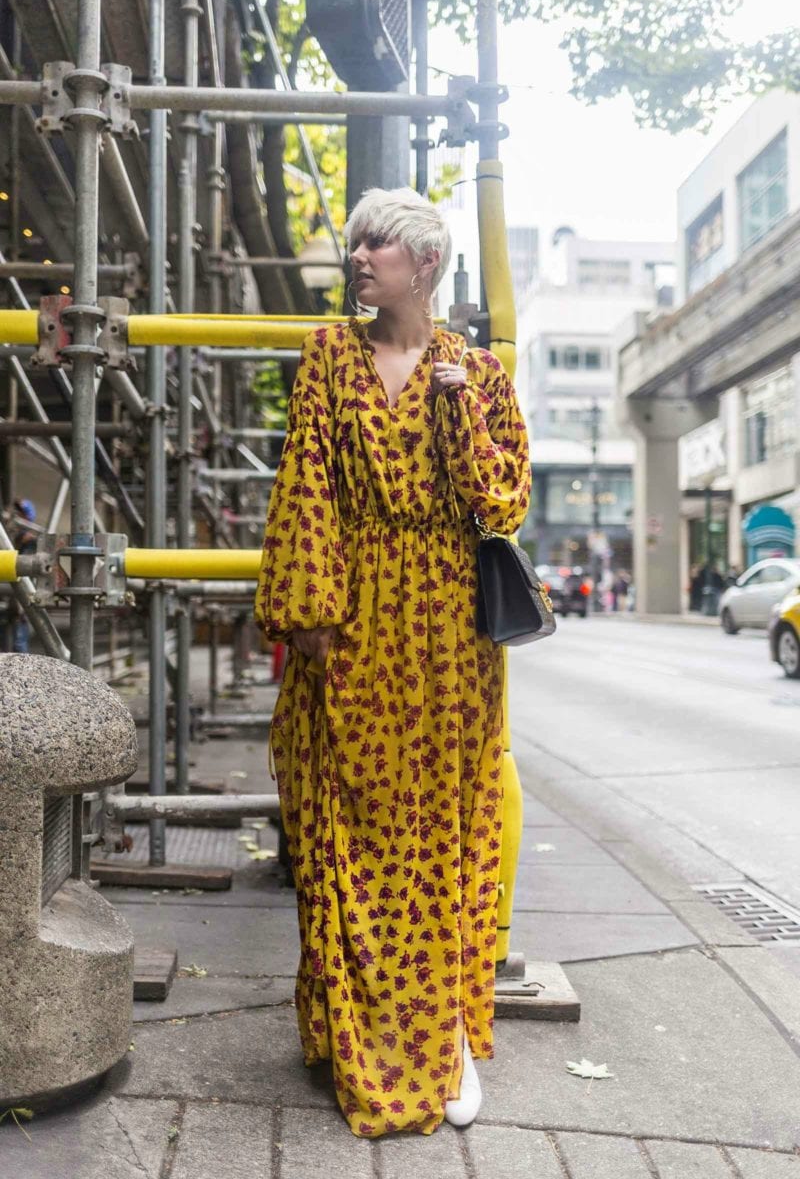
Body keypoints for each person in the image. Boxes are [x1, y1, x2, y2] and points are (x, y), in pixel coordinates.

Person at [254, 187, 531, 1138]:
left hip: (452, 624)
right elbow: (309, 485)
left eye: (378, 244)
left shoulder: (479, 371)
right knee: (352, 818)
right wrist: (313, 616)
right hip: (358, 611)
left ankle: (445, 1028)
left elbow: (503, 506)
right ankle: (354, 1018)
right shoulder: (330, 355)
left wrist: (464, 416)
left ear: (424, 264)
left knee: (444, 823)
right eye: (357, 242)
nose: (358, 255)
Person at [9, 499, 37, 653]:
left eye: (21, 513)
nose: (17, 516)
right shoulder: (14, 540)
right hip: (13, 598)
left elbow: (26, 574)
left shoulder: (32, 543)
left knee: (19, 643)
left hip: (25, 599)